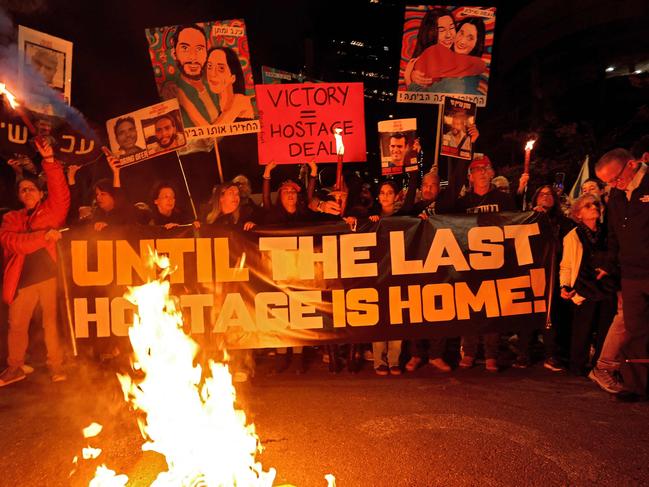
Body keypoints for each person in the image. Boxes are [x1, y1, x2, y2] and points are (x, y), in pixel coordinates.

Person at [0, 137, 69, 387]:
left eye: (32, 188)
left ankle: (57, 366)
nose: (27, 192)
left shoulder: (50, 211)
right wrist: (43, 237)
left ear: (41, 193)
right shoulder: (11, 218)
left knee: (51, 323)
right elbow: (13, 242)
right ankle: (15, 367)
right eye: (23, 189)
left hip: (48, 276)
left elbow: (60, 193)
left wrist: (49, 160)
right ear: (19, 195)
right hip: (22, 280)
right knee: (16, 325)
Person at [595, 148, 649, 400]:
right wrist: (610, 264)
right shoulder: (616, 195)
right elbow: (614, 234)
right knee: (635, 330)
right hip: (631, 274)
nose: (613, 185)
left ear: (631, 164)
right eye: (607, 183)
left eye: (615, 178)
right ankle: (637, 385)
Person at [559, 194, 618, 376]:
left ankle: (599, 367)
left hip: (607, 287)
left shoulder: (609, 232)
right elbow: (567, 264)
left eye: (596, 204)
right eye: (587, 206)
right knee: (582, 330)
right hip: (584, 287)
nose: (593, 207)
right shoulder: (573, 236)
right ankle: (577, 367)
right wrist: (565, 286)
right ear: (578, 214)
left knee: (605, 329)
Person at [169, 24, 220, 128]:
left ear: (206, 53)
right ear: (174, 53)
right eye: (185, 48)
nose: (193, 57)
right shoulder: (172, 91)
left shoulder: (214, 83)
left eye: (199, 49)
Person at [205, 46, 255, 125]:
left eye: (221, 68)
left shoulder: (241, 100)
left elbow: (215, 131)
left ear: (233, 77)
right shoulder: (216, 104)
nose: (212, 74)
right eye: (209, 66)